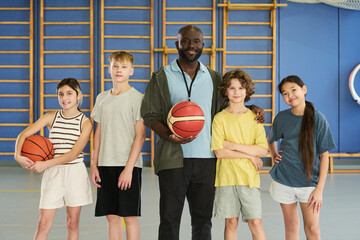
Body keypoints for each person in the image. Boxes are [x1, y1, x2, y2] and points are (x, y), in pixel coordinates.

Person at [141, 25, 265, 240]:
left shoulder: (214, 77)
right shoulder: (161, 76)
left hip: (207, 160)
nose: (191, 45)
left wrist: (253, 108)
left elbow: (232, 104)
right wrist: (169, 135)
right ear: (177, 44)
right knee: (169, 219)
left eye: (196, 41)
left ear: (203, 45)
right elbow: (150, 116)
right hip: (173, 160)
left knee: (203, 221)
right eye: (186, 41)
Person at [14, 78, 93, 240]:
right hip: (53, 174)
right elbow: (23, 135)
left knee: (72, 223)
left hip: (74, 174)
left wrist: (44, 164)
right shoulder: (51, 117)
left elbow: (73, 154)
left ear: (78, 95)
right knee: (43, 223)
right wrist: (17, 155)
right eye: (60, 94)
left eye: (69, 93)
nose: (65, 98)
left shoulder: (86, 123)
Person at [267, 75, 336, 240]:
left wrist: (319, 189)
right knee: (291, 227)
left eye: (293, 90)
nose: (290, 95)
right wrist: (274, 154)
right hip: (284, 180)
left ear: (304, 90)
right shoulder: (282, 117)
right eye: (284, 93)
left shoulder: (318, 118)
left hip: (309, 184)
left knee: (312, 229)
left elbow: (324, 156)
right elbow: (271, 140)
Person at [90, 51, 146, 240]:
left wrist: (128, 169)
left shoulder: (137, 98)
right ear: (109, 69)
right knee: (112, 216)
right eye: (115, 66)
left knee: (129, 216)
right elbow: (98, 132)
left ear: (131, 71)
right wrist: (94, 164)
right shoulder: (102, 98)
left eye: (123, 67)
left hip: (128, 165)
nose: (118, 70)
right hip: (105, 164)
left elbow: (140, 136)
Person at [211, 69, 268, 240]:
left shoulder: (254, 117)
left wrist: (233, 146)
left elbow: (262, 150)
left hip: (249, 178)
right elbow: (220, 152)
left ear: (247, 91)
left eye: (241, 88)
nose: (236, 92)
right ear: (225, 91)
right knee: (231, 222)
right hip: (226, 178)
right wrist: (249, 155)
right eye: (232, 88)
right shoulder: (219, 118)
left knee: (255, 222)